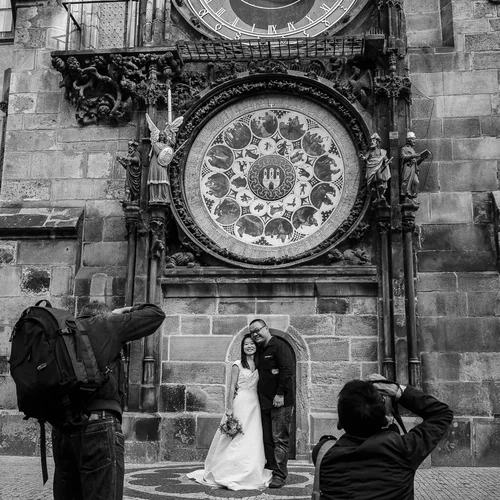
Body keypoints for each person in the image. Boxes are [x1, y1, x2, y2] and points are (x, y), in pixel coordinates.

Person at [51, 301, 166, 500]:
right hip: (98, 425)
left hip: (62, 429)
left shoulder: (61, 333)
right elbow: (155, 313)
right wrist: (122, 312)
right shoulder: (106, 324)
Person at [312, 375, 453, 500]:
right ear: (385, 420)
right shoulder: (403, 450)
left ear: (339, 423)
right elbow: (442, 413)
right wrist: (396, 390)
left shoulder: (323, 454)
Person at [187, 334, 272, 490]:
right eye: (246, 344)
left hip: (255, 404)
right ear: (242, 347)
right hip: (240, 402)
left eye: (252, 344)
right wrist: (229, 407)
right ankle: (229, 470)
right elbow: (232, 386)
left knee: (252, 435)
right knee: (236, 435)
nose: (249, 346)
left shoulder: (260, 364)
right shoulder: (237, 364)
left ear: (256, 345)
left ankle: (251, 469)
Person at [250, 319, 295, 489]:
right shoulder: (260, 350)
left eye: (257, 330)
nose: (255, 334)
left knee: (280, 440)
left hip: (280, 402)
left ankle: (280, 475)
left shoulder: (279, 346)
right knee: (268, 439)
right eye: (252, 332)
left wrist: (280, 394)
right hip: (264, 403)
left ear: (266, 328)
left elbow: (287, 371)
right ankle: (271, 470)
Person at [360, 133, 392, 204]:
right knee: (373, 181)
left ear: (377, 142)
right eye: (371, 141)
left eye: (373, 140)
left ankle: (381, 194)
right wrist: (362, 157)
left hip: (378, 166)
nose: (372, 142)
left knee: (379, 178)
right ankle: (376, 196)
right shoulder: (370, 152)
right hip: (371, 167)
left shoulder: (381, 151)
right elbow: (365, 157)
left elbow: (384, 158)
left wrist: (387, 161)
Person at [400, 131, 431, 200]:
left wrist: (422, 158)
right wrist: (413, 156)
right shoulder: (404, 149)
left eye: (414, 139)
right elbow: (403, 157)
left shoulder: (412, 150)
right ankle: (406, 196)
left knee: (416, 182)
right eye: (413, 139)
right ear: (409, 140)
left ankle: (412, 196)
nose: (414, 141)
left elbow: (416, 163)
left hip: (413, 168)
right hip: (408, 168)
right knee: (406, 181)